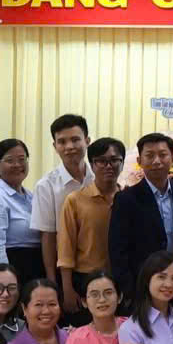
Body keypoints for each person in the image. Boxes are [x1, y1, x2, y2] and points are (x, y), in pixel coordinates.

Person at [56, 137, 124, 321]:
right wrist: (67, 289)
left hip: (120, 280)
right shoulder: (75, 200)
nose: (108, 166)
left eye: (114, 160)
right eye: (101, 161)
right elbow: (65, 249)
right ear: (92, 165)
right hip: (84, 280)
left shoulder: (128, 199)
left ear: (122, 163)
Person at [108, 132, 173, 295]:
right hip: (142, 284)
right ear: (139, 161)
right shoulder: (126, 199)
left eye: (162, 155)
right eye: (149, 155)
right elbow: (118, 250)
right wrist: (129, 289)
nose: (157, 161)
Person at [0, 138, 43, 283]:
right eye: (9, 160)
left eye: (22, 159)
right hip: (14, 272)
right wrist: (5, 283)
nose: (17, 165)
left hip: (36, 271)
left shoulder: (31, 196)